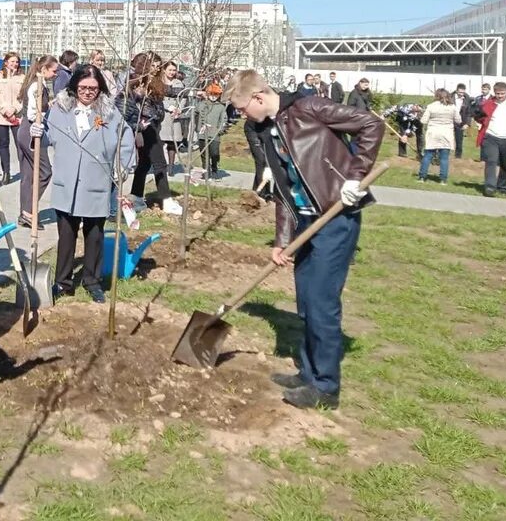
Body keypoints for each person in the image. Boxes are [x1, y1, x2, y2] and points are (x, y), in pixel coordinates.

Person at [226, 69, 383, 410]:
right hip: (305, 220)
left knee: (322, 301)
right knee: (306, 300)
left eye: (241, 108)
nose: (241, 115)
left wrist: (355, 178)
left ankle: (326, 387)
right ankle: (308, 372)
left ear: (257, 97)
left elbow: (371, 125)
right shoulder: (266, 130)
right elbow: (283, 192)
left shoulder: (309, 108)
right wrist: (281, 240)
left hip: (336, 215)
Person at [45, 65, 135, 303]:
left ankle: (92, 281)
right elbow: (47, 137)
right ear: (74, 86)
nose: (87, 92)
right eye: (83, 87)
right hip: (67, 184)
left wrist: (122, 167)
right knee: (66, 236)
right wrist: (36, 132)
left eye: (93, 88)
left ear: (100, 89)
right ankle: (63, 282)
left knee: (94, 235)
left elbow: (126, 141)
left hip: (97, 183)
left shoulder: (110, 114)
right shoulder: (59, 111)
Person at [121, 52, 178, 215]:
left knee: (145, 162)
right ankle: (166, 200)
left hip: (152, 124)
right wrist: (137, 129)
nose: (156, 68)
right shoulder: (137, 82)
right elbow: (131, 107)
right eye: (152, 65)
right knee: (160, 162)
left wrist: (192, 92)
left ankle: (136, 195)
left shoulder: (155, 82)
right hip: (146, 126)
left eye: (158, 65)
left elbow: (169, 91)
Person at [15, 55, 57, 227]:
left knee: (28, 174)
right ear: (44, 69)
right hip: (32, 130)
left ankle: (25, 213)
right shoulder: (36, 86)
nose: (55, 74)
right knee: (45, 171)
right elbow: (34, 113)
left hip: (27, 129)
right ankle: (28, 210)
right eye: (54, 71)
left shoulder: (39, 84)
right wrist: (46, 112)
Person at [474, 81, 506, 197]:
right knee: (491, 161)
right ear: (494, 93)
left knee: (505, 163)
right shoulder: (488, 104)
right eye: (498, 93)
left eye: (502, 94)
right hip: (491, 136)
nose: (500, 96)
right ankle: (490, 186)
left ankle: (503, 186)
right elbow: (478, 116)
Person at [0, 53, 24, 184]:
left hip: (16, 115)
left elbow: (22, 96)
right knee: (3, 144)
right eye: (12, 61)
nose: (14, 64)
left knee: (20, 144)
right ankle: (6, 172)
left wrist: (14, 109)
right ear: (5, 62)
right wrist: (5, 110)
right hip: (1, 115)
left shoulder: (22, 77)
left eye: (16, 62)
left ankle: (24, 171)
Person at [417, 89, 456, 184]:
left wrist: (420, 114)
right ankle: (443, 179)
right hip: (446, 133)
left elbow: (423, 121)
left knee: (428, 155)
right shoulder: (452, 107)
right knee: (444, 157)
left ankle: (422, 177)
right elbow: (458, 119)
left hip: (433, 132)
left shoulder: (431, 106)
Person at [195, 83, 229, 179]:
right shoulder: (201, 104)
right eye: (211, 94)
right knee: (204, 154)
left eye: (216, 94)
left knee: (214, 153)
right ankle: (206, 172)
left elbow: (223, 119)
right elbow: (193, 113)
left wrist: (220, 130)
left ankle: (214, 168)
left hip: (214, 134)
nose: (213, 97)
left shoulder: (221, 107)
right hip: (202, 134)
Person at [158, 60, 187, 170]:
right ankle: (161, 163)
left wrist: (179, 109)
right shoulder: (160, 82)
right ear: (164, 70)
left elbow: (183, 97)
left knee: (173, 141)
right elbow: (158, 98)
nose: (172, 72)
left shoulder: (178, 83)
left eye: (174, 70)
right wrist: (168, 107)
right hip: (163, 114)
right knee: (160, 140)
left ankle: (170, 165)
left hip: (174, 116)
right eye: (170, 70)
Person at [452, 83, 472, 160]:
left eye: (463, 92)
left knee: (459, 140)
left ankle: (458, 157)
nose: (461, 94)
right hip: (450, 121)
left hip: (461, 122)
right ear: (456, 90)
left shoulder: (467, 99)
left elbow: (469, 112)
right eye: (459, 92)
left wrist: (467, 123)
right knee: (447, 139)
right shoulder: (450, 97)